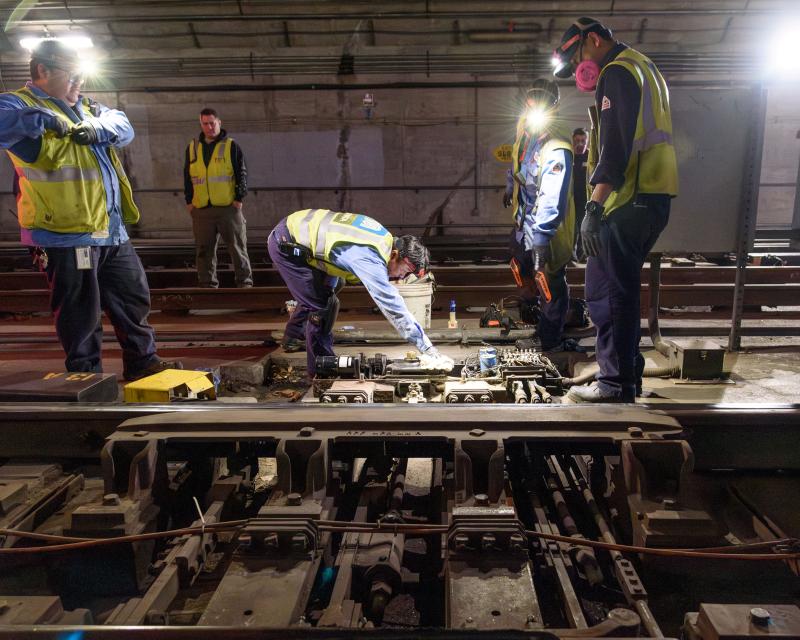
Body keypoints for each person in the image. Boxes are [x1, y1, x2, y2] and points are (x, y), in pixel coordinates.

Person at [0, 40, 181, 379]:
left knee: (132, 297)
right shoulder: (18, 104)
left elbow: (123, 125)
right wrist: (47, 121)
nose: (79, 84)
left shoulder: (88, 108)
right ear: (43, 71)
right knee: (81, 311)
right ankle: (86, 376)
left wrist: (94, 128)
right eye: (72, 76)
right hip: (64, 233)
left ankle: (143, 363)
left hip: (109, 228)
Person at [552, 17, 678, 402]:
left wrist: (593, 206)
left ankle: (616, 384)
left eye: (577, 59)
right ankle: (625, 376)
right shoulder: (644, 66)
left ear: (593, 40)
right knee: (610, 290)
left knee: (610, 293)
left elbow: (616, 149)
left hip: (626, 200)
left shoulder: (617, 72)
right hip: (650, 197)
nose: (578, 69)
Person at [267, 209, 453, 376]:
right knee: (322, 306)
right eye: (404, 271)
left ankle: (292, 336)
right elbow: (393, 306)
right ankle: (320, 369)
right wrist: (427, 349)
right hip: (287, 245)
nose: (401, 277)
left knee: (329, 288)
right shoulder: (369, 258)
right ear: (395, 255)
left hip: (303, 236)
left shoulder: (384, 240)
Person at [503, 80, 575, 351]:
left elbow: (551, 195)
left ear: (553, 107)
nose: (533, 107)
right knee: (519, 269)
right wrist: (510, 186)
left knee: (548, 283)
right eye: (531, 101)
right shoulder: (526, 129)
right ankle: (533, 321)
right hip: (523, 222)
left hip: (546, 229)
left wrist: (542, 239)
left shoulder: (556, 144)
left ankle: (550, 340)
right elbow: (516, 160)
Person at [184, 107, 252, 288]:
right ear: (201, 124)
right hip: (201, 210)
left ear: (219, 123)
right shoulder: (193, 147)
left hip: (228, 208)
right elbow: (187, 177)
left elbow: (242, 173)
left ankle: (244, 284)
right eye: (205, 124)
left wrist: (239, 198)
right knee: (204, 251)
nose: (209, 127)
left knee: (237, 248)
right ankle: (207, 286)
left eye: (212, 123)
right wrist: (189, 202)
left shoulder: (231, 146)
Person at [571, 127, 589, 260]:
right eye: (577, 140)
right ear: (573, 141)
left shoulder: (591, 156)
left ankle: (582, 254)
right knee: (572, 228)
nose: (580, 144)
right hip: (570, 198)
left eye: (583, 140)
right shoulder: (568, 156)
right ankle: (569, 254)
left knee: (583, 226)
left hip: (586, 198)